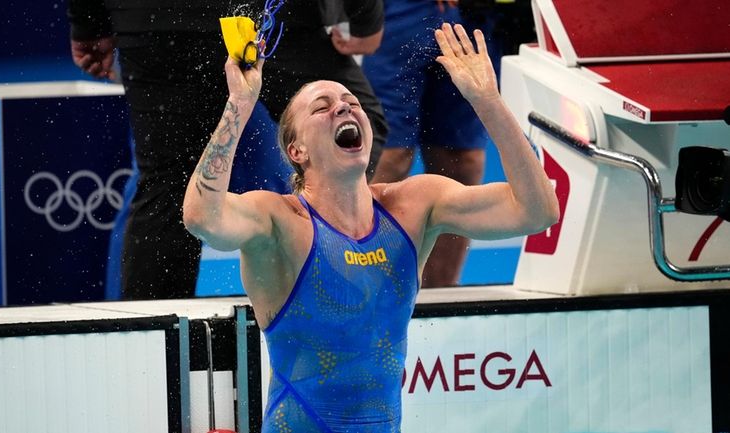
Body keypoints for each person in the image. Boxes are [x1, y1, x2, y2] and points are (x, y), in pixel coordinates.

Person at [183, 23, 559, 431]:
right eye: (322, 106)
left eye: (350, 101)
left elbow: (537, 211)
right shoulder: (280, 222)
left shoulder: (412, 205)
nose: (344, 107)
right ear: (297, 150)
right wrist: (239, 104)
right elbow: (202, 217)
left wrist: (487, 101)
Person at [67, 0, 388, 299]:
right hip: (268, 20)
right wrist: (364, 19)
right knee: (352, 129)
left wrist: (89, 23)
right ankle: (332, 298)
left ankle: (153, 340)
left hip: (157, 21)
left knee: (165, 187)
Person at [361, 0, 504, 288]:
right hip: (397, 12)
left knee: (461, 161)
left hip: (474, 14)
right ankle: (359, 291)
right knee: (389, 156)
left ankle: (440, 296)